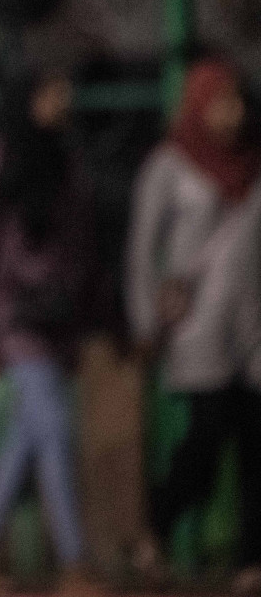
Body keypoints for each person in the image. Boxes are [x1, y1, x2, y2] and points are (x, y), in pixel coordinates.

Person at [0, 70, 100, 593]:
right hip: (11, 315)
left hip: (56, 318)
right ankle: (75, 564)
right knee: (54, 428)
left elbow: (80, 246)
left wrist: (80, 315)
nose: (65, 98)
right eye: (53, 89)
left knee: (29, 436)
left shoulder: (66, 158)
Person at [126, 57, 261, 595]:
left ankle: (252, 561)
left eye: (238, 102)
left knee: (257, 450)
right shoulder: (170, 164)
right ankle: (153, 528)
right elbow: (142, 251)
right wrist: (145, 321)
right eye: (223, 101)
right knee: (203, 445)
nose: (233, 114)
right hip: (197, 330)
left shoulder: (254, 164)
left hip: (254, 330)